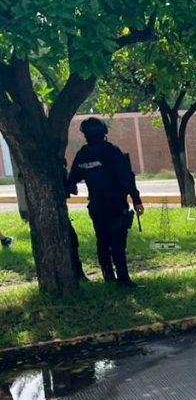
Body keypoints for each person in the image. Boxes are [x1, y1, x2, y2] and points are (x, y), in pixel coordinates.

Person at [66, 118, 144, 287]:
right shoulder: (112, 151)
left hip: (96, 205)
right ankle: (123, 279)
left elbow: (72, 179)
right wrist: (137, 200)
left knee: (102, 240)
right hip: (115, 204)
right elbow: (126, 178)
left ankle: (108, 276)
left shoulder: (83, 154)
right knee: (118, 243)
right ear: (103, 132)